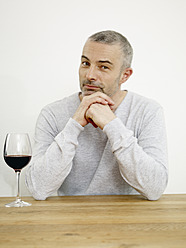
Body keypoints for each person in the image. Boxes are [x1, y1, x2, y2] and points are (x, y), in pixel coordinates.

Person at [26, 30, 168, 201]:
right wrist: (74, 124)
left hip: (129, 218)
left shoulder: (148, 111)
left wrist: (112, 125)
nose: (90, 75)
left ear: (125, 75)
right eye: (86, 63)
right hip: (70, 219)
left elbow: (155, 188)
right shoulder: (52, 113)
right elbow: (38, 189)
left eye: (103, 67)